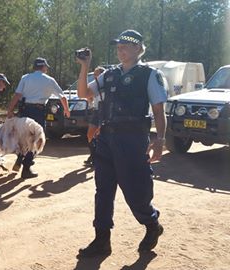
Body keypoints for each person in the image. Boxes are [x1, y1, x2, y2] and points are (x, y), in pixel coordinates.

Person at [76, 29, 167, 257]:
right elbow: (84, 93)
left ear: (138, 48)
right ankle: (101, 241)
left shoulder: (149, 74)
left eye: (125, 46)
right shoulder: (109, 75)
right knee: (103, 191)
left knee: (136, 192)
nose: (120, 50)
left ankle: (152, 224)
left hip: (133, 140)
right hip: (106, 139)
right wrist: (85, 66)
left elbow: (158, 110)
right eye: (118, 46)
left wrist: (160, 140)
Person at [7, 57, 71, 179]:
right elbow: (63, 97)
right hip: (38, 111)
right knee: (37, 139)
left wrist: (10, 109)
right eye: (46, 67)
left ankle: (20, 159)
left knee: (23, 136)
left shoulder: (25, 78)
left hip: (24, 110)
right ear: (44, 67)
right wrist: (66, 110)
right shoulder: (49, 80)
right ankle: (26, 167)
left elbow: (17, 95)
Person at [83, 66, 106, 167]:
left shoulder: (106, 84)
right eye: (94, 74)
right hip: (96, 110)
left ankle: (98, 157)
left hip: (104, 110)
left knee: (101, 134)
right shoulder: (94, 85)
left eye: (97, 74)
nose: (95, 76)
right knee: (90, 135)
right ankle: (93, 155)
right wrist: (90, 99)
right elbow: (88, 96)